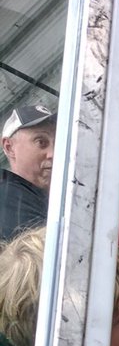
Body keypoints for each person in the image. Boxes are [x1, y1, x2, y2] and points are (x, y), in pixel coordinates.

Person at [0, 103, 56, 243]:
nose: (53, 153)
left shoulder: (40, 197)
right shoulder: (9, 197)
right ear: (9, 147)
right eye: (41, 142)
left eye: (58, 143)